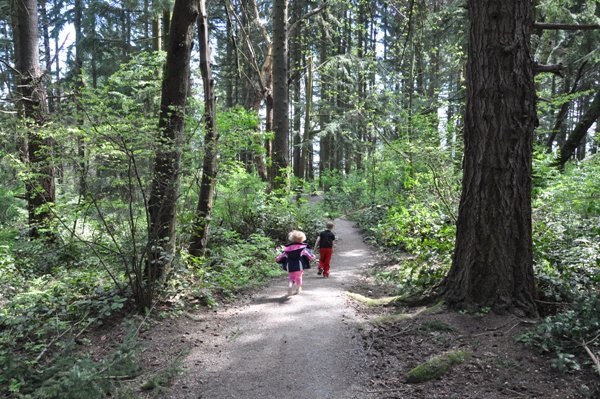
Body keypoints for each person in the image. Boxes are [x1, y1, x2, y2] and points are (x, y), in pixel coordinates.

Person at [276, 230, 316, 296]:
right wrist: (313, 257)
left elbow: (280, 257)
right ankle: (298, 288)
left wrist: (277, 259)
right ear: (302, 239)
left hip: (290, 266)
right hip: (299, 266)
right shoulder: (303, 248)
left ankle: (290, 285)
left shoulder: (287, 249)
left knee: (291, 277)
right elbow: (310, 256)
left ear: (292, 239)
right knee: (298, 277)